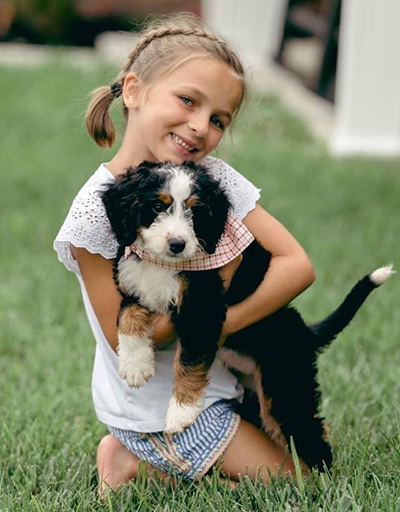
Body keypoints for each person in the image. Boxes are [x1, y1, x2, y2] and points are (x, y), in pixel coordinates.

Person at [54, 14, 315, 493]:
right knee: (299, 488)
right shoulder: (94, 212)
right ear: (133, 90)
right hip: (156, 409)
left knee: (306, 460)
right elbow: (134, 339)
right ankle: (140, 456)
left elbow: (297, 264)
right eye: (188, 100)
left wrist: (223, 324)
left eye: (218, 119)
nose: (200, 128)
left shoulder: (211, 179)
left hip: (219, 379)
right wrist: (227, 269)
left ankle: (160, 457)